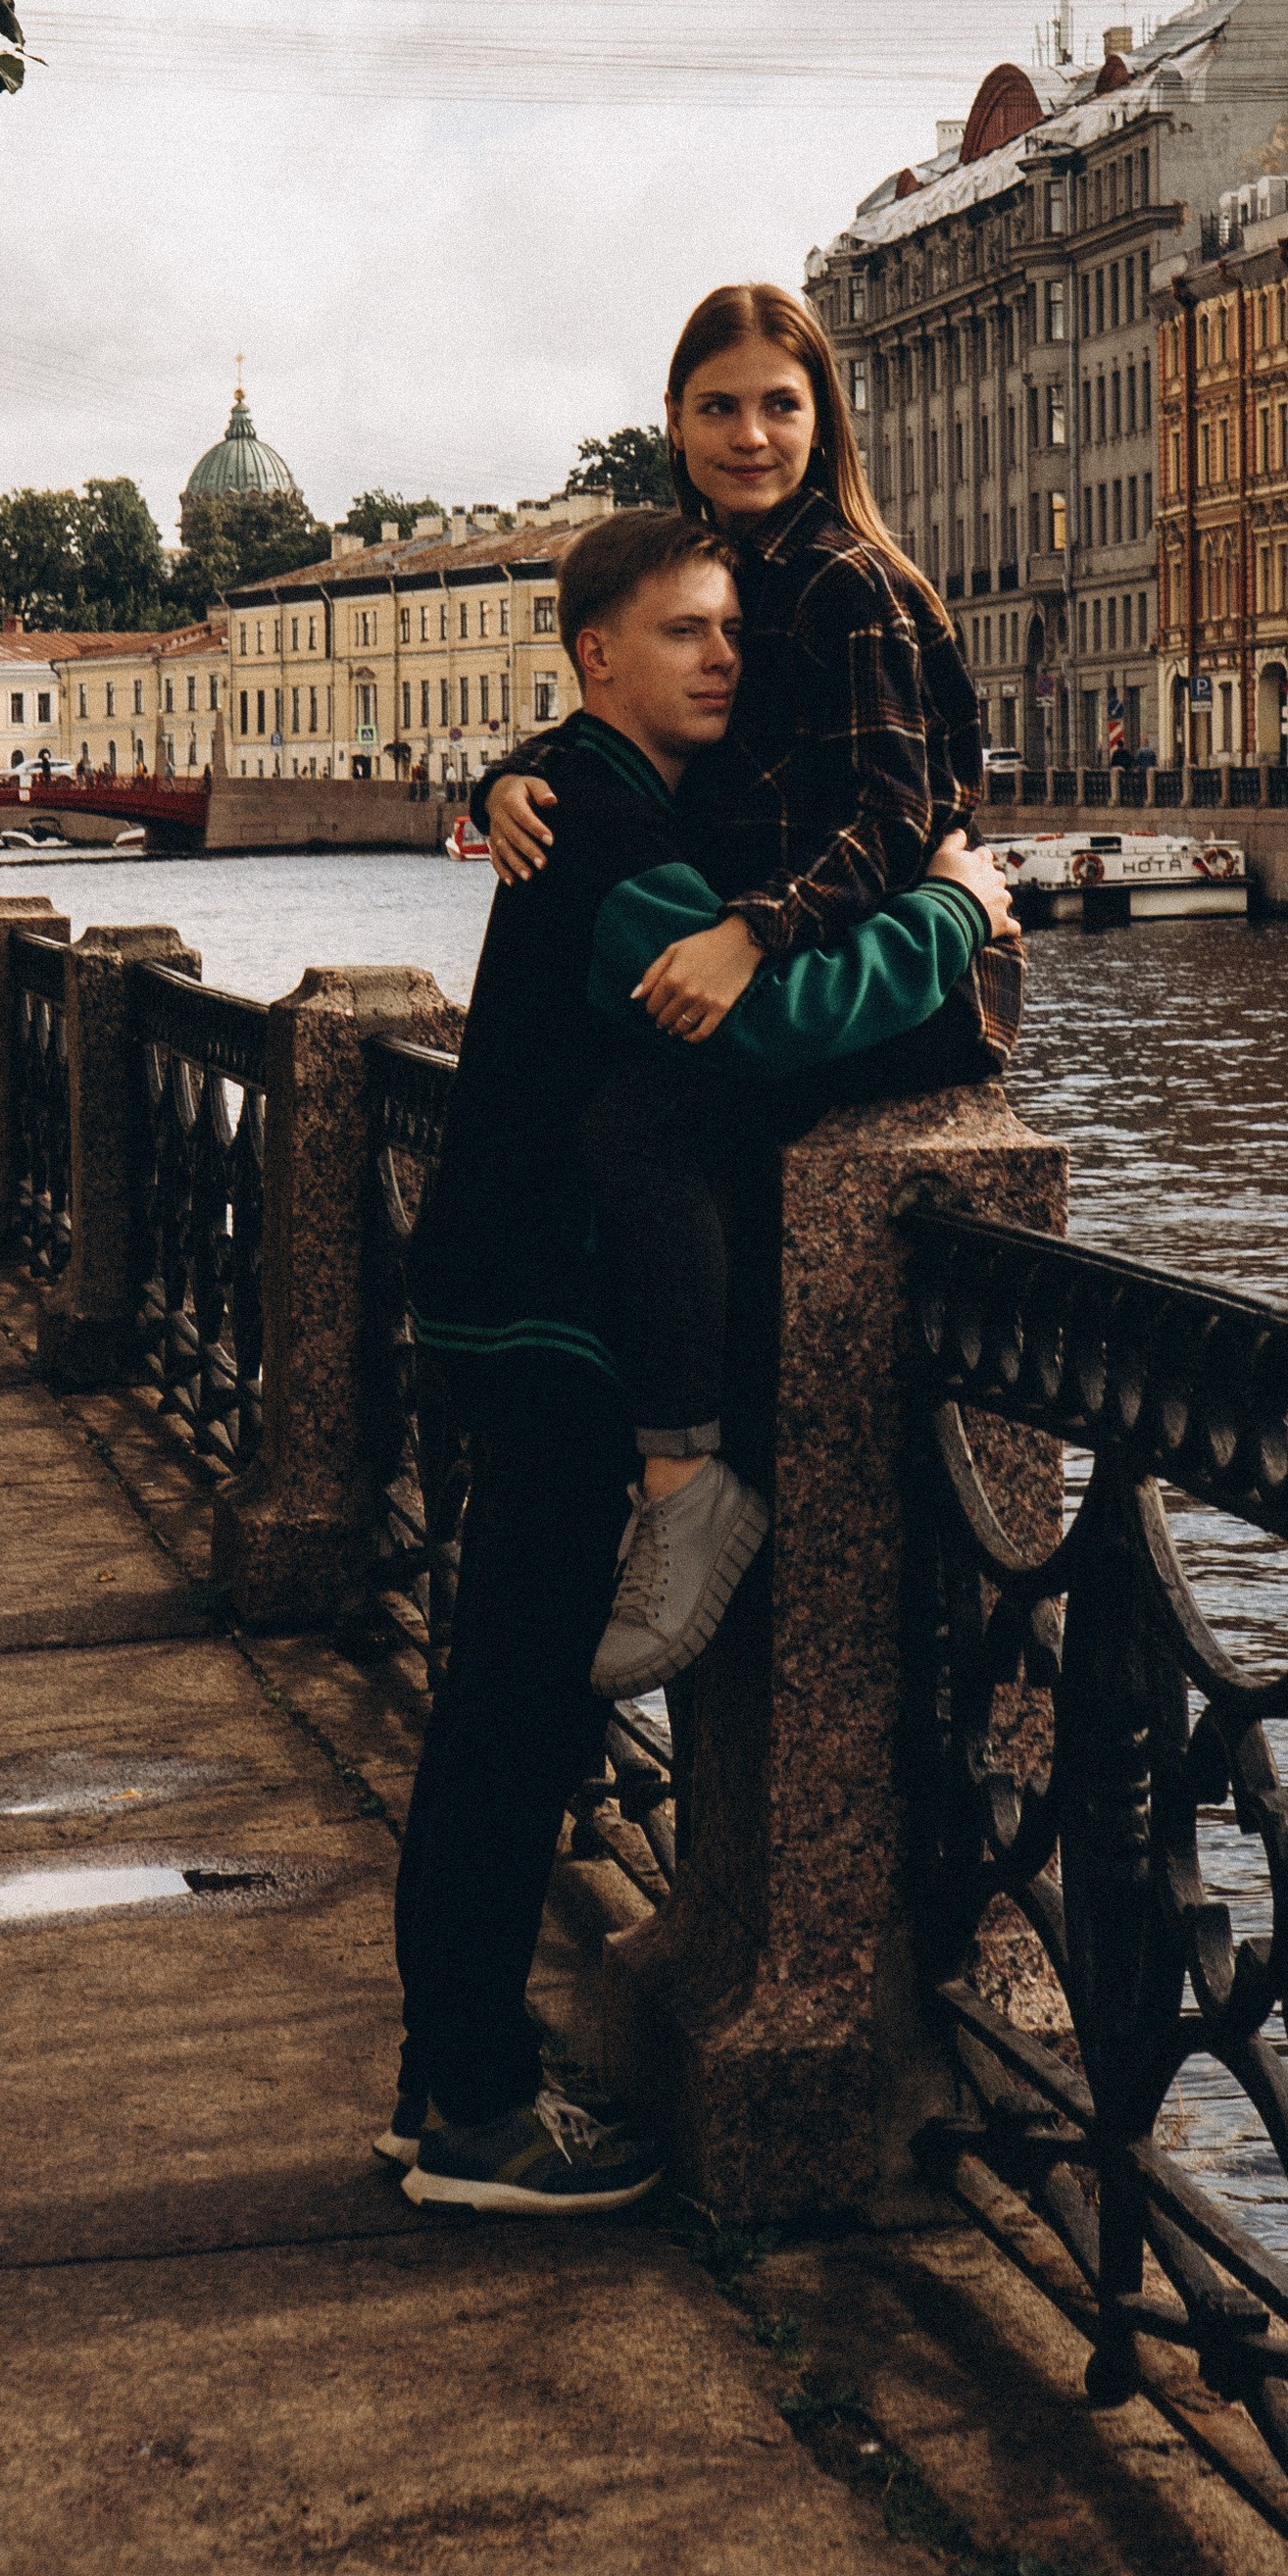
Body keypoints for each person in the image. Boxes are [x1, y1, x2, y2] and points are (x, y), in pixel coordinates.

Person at [389, 505, 1016, 2215]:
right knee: (514, 1718)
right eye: (685, 633)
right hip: (546, 1310)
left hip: (505, 1295)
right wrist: (957, 914)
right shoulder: (602, 827)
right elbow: (767, 1016)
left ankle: (439, 2077)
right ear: (603, 658)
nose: (725, 654)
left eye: (733, 629)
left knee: (496, 1709)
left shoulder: (593, 793)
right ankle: (472, 2111)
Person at [481, 280, 1018, 1699]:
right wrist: (516, 772)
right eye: (718, 405)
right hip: (816, 949)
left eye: (780, 403)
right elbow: (633, 670)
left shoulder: (842, 577)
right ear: (673, 420)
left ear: (823, 416)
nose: (750, 432)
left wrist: (755, 937)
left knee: (642, 1125)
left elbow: (901, 817)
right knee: (654, 1121)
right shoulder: (730, 565)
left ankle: (686, 1480)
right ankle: (684, 1466)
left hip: (912, 980)